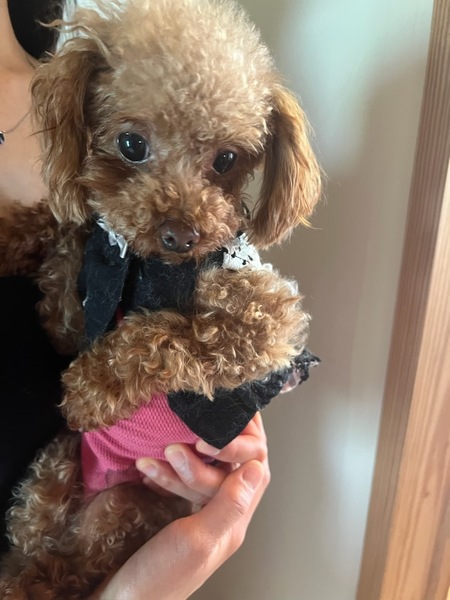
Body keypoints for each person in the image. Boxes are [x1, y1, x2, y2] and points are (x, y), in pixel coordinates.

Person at [0, 1, 271, 597]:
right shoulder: (82, 100)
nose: (180, 221)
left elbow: (261, 334)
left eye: (222, 162)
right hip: (65, 493)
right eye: (132, 145)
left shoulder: (218, 262)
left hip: (127, 493)